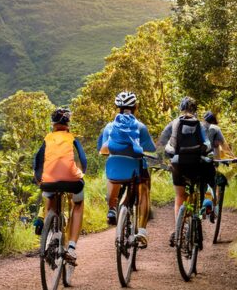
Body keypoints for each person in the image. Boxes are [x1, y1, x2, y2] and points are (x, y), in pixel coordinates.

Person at [97, 91, 156, 246]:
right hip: (135, 168)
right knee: (144, 191)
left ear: (118, 108)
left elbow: (102, 149)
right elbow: (151, 147)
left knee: (113, 175)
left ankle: (112, 208)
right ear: (135, 107)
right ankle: (142, 230)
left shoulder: (109, 127)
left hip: (115, 168)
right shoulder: (140, 126)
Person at [33, 108, 87, 265]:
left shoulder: (47, 139)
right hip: (72, 181)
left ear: (53, 124)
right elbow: (83, 162)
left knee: (50, 192)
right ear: (67, 124)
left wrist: (39, 181)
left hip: (48, 182)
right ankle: (71, 247)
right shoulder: (72, 138)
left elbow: (37, 162)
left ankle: (50, 227)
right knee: (78, 204)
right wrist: (80, 174)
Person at [161, 96, 212, 246]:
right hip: (196, 164)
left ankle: (179, 230)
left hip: (179, 164)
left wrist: (171, 154)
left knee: (180, 195)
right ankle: (199, 213)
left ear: (180, 109)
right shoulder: (199, 125)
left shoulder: (175, 123)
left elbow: (166, 146)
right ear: (195, 110)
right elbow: (207, 145)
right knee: (198, 187)